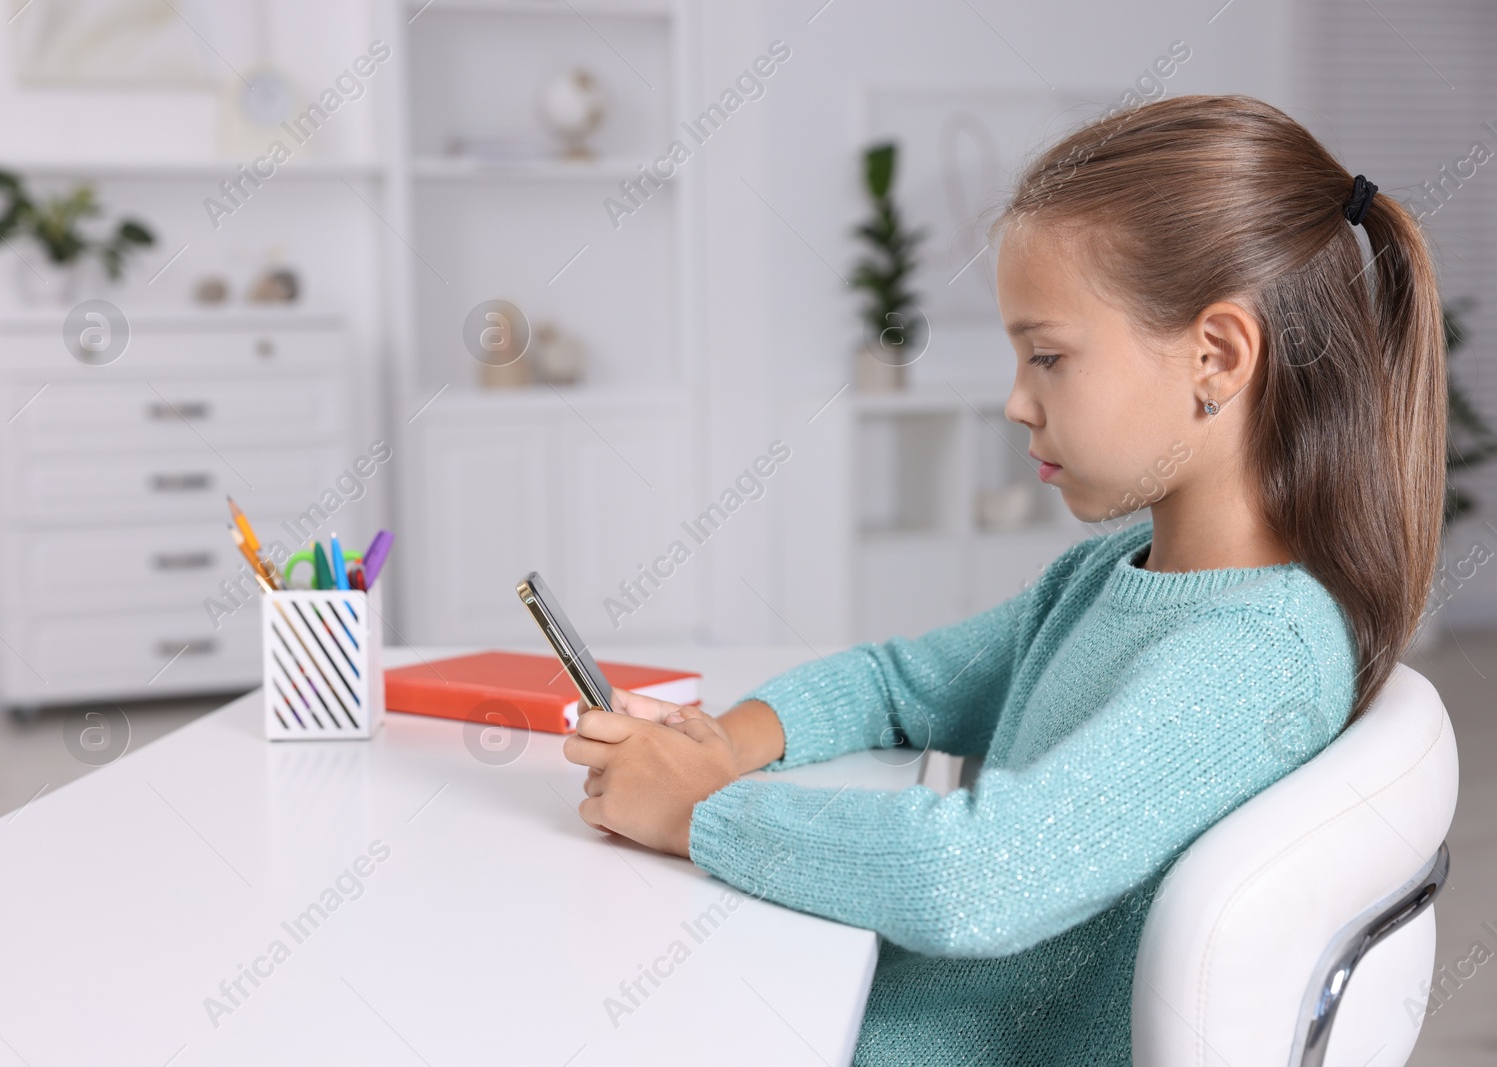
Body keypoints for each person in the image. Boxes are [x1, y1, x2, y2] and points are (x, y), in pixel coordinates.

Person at [562, 93, 1446, 1064]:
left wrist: (698, 810)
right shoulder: (1113, 570)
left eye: (1049, 355)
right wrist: (715, 746)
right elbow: (898, 684)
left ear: (1216, 355)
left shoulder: (1255, 656)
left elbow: (980, 873)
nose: (1016, 401)